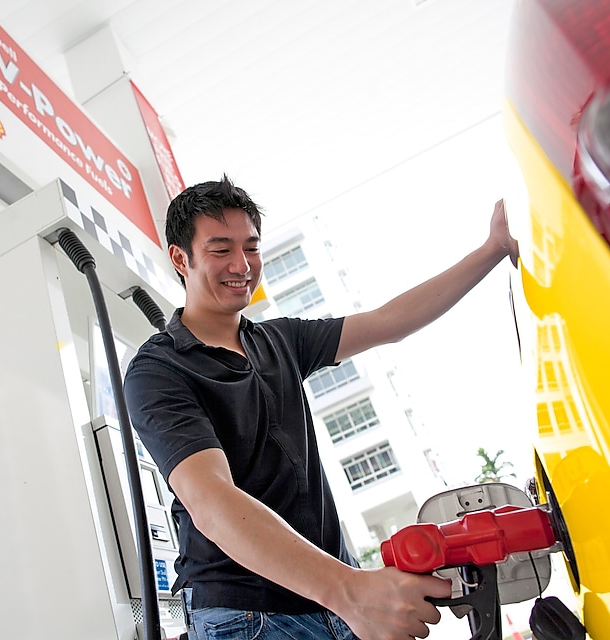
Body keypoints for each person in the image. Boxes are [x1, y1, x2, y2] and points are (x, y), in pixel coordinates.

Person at [123, 175, 519, 640]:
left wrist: (492, 250)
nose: (242, 264)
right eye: (220, 249)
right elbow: (212, 502)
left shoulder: (277, 341)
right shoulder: (158, 370)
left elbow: (389, 322)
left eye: (251, 247)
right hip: (246, 614)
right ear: (180, 258)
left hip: (332, 598)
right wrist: (348, 591)